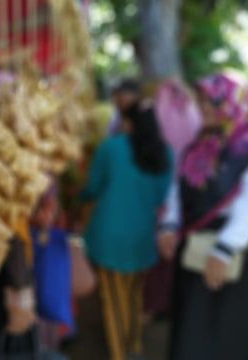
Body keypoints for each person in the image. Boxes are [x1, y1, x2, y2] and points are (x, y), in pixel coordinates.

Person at [159, 73, 248, 360]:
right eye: (201, 101)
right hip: (197, 248)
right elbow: (179, 186)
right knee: (193, 330)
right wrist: (169, 224)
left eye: (211, 101)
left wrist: (223, 251)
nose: (203, 107)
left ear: (234, 104)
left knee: (230, 335)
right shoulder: (200, 146)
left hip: (236, 254)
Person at [81, 103, 173, 360]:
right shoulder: (165, 153)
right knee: (133, 296)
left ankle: (120, 354)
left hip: (109, 237)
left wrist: (77, 198)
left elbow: (92, 187)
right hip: (142, 236)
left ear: (128, 122)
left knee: (112, 300)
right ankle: (134, 346)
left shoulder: (111, 147)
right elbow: (161, 196)